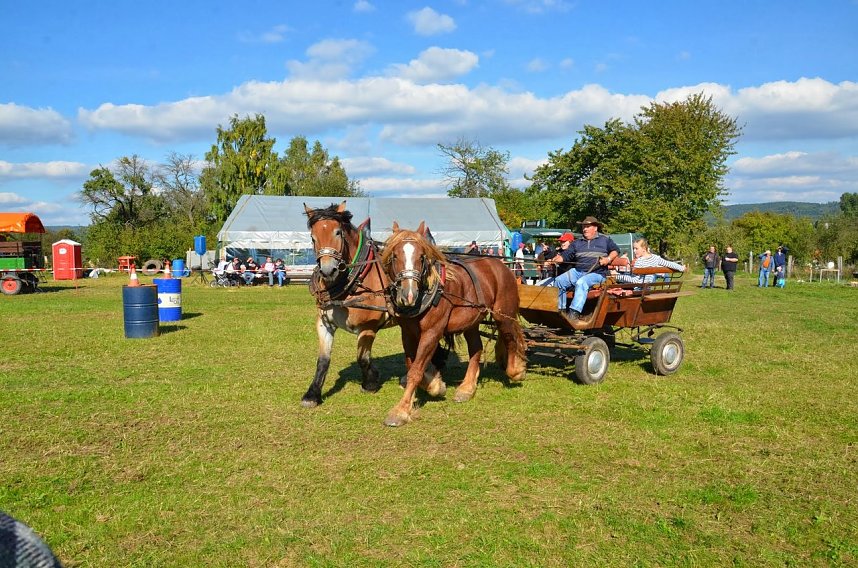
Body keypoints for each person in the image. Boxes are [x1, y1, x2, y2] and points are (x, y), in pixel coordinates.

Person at [550, 217, 619, 319]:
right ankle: (561, 311)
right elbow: (566, 255)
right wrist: (556, 259)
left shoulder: (605, 240)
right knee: (559, 281)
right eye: (583, 227)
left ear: (595, 228)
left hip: (598, 274)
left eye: (587, 226)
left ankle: (574, 313)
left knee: (581, 282)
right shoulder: (577, 243)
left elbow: (616, 250)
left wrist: (608, 259)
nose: (584, 229)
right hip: (578, 271)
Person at [613, 238, 685, 285]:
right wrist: (681, 268)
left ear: (644, 248)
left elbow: (635, 280)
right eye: (633, 248)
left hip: (639, 290)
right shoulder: (656, 258)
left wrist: (617, 277)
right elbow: (669, 264)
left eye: (636, 248)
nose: (634, 251)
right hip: (649, 288)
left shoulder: (639, 261)